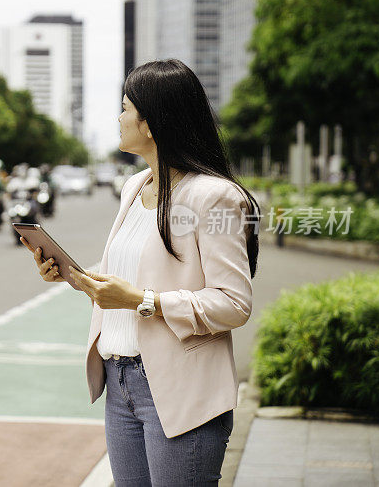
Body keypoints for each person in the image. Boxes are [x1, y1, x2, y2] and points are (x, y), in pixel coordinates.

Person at [20, 58, 261, 486]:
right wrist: (72, 276)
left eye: (126, 108)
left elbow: (234, 304)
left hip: (181, 388)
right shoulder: (135, 187)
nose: (118, 117)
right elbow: (127, 277)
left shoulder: (214, 196)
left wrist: (142, 302)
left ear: (150, 124)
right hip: (120, 384)